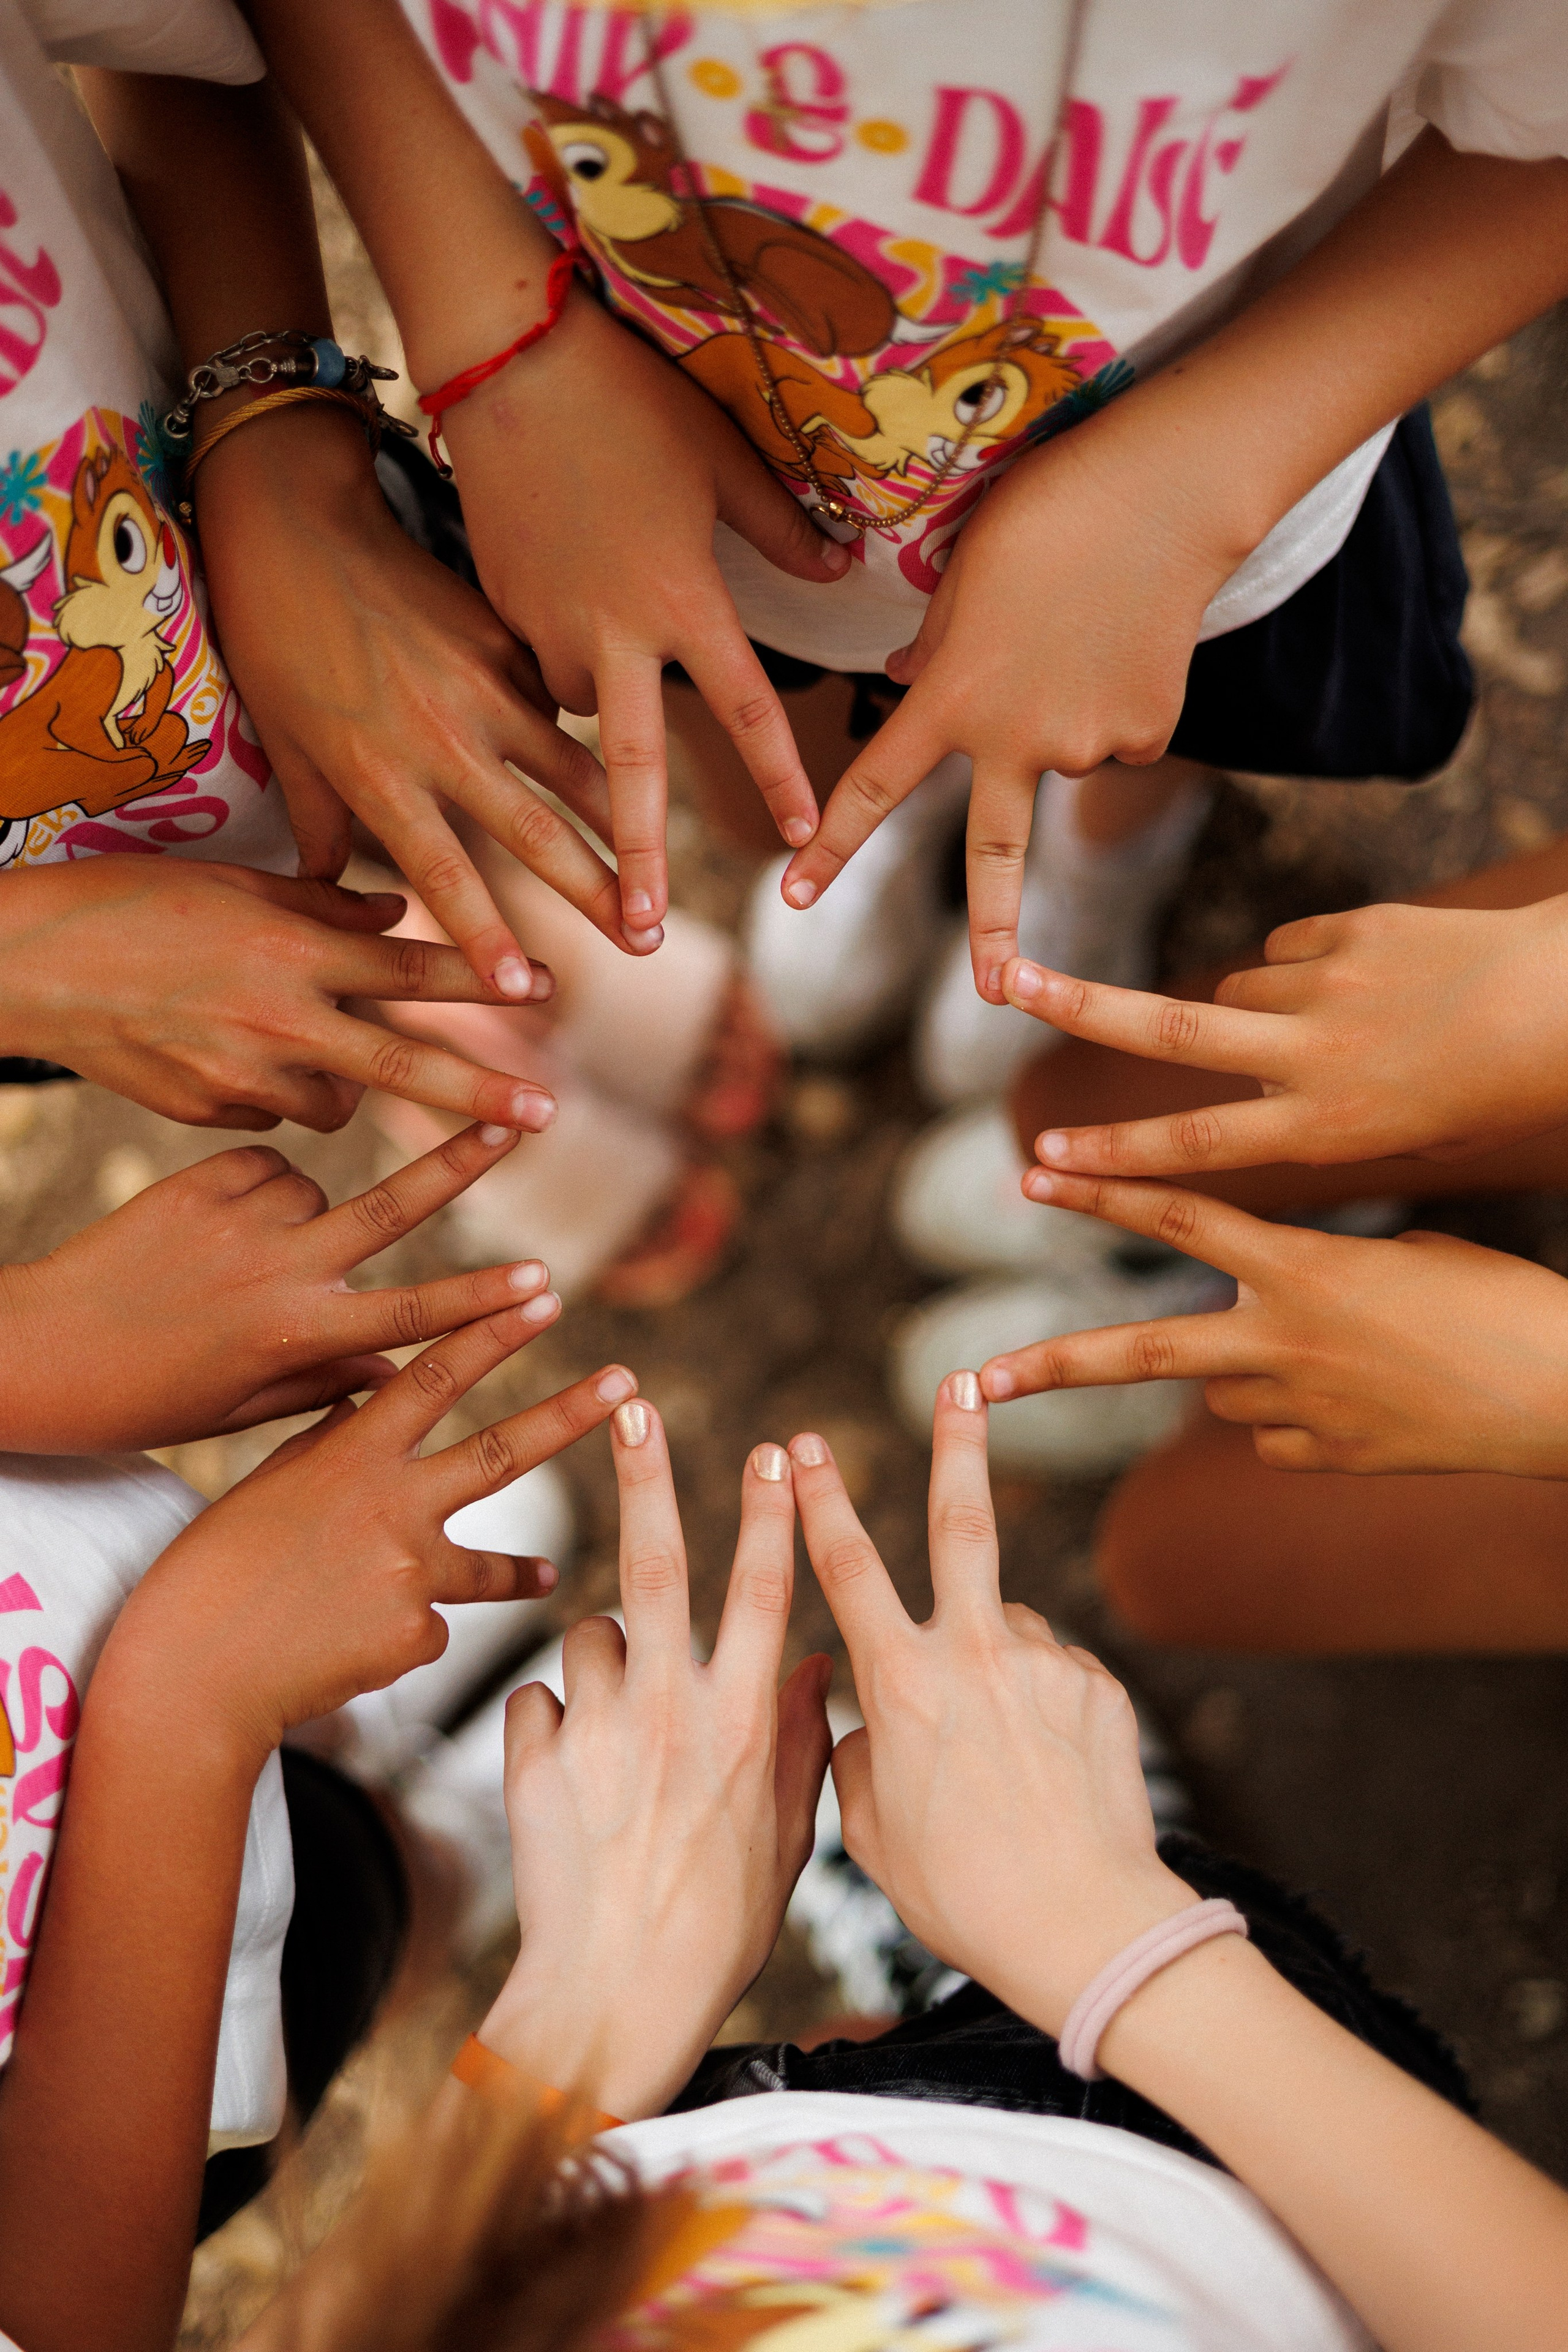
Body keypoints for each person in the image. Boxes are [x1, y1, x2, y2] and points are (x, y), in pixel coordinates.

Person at [244, 0, 1568, 1104]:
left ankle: (1100, 851)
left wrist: (1180, 497)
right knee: (793, 693)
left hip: (1228, 431)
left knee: (1163, 688)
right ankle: (906, 795)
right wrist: (495, 328)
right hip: (668, 434)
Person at [240, 1389, 1568, 2352]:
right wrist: (1118, 1939)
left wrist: (575, 2028)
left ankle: (948, 1980)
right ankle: (1102, 1888)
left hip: (708, 2189)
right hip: (1271, 2204)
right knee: (1168, 1944)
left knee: (850, 2070)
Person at [0, 0, 639, 1138]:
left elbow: (171, 35)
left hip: (228, 536)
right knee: (329, 993)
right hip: (61, 935)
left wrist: (278, 462)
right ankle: (422, 989)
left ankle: (502, 924)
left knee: (425, 754)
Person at [0, 1243, 641, 2352]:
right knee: (358, 1896)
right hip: (106, 2041)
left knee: (298, 1706)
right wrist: (189, 1701)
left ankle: (362, 1717)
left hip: (74, 1637)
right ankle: (456, 1848)